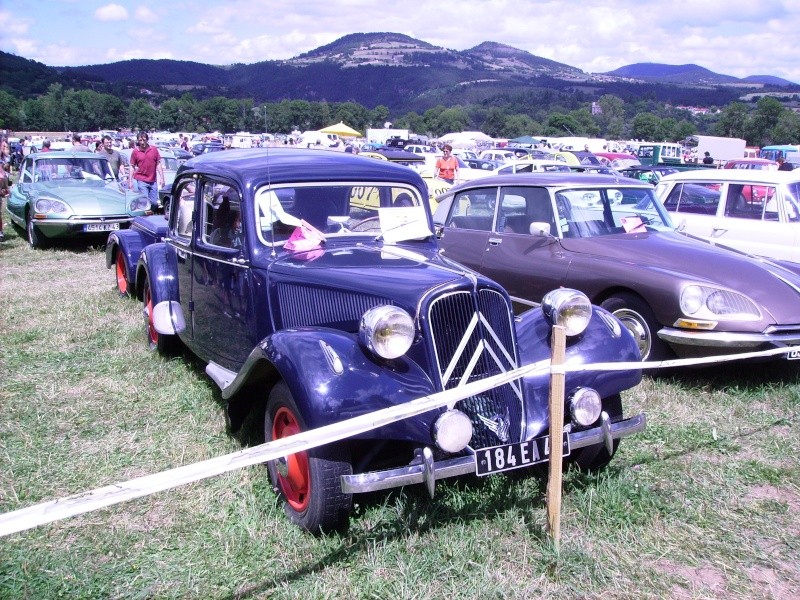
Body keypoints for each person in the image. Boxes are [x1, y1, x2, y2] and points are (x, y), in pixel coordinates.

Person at [129, 132, 164, 210]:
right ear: (138, 141)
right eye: (140, 140)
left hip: (152, 180)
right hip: (141, 180)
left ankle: (151, 216)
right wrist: (130, 181)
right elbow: (132, 166)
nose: (142, 142)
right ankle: (145, 218)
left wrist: (162, 178)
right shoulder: (135, 151)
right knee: (145, 202)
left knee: (154, 203)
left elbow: (158, 164)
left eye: (144, 140)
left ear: (147, 140)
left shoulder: (154, 150)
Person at [0, 138, 10, 242]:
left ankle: (0, 232)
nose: (4, 148)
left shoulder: (4, 159)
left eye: (5, 147)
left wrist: (5, 188)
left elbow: (3, 176)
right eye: (3, 146)